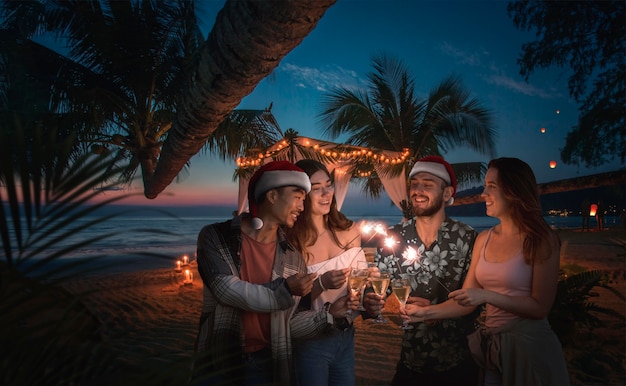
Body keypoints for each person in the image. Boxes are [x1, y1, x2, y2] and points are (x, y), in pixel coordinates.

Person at [402, 157, 570, 386]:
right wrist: (427, 312)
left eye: (491, 186)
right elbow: (468, 300)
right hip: (492, 350)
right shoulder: (484, 239)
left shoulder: (541, 240)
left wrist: (488, 296)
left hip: (529, 348)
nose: (483, 194)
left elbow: (540, 307)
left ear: (513, 191)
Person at [192, 160, 318, 386]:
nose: (302, 206)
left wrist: (334, 317)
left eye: (304, 200)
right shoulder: (215, 236)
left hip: (267, 362)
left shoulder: (293, 257)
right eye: (298, 197)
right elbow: (226, 290)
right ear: (271, 196)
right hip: (219, 358)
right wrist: (285, 290)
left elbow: (293, 322)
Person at [364, 155, 480, 385]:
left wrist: (432, 311)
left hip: (457, 363)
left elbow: (474, 302)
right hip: (410, 362)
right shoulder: (392, 237)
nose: (417, 190)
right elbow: (378, 297)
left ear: (447, 194)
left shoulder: (467, 238)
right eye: (414, 184)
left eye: (427, 185)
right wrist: (376, 304)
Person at [286, 159, 365, 386]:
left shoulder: (350, 230)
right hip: (311, 340)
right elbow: (288, 303)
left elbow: (360, 285)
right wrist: (320, 283)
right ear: (300, 195)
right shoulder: (293, 242)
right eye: (315, 188)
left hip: (346, 335)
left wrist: (368, 299)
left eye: (328, 185)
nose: (325, 193)